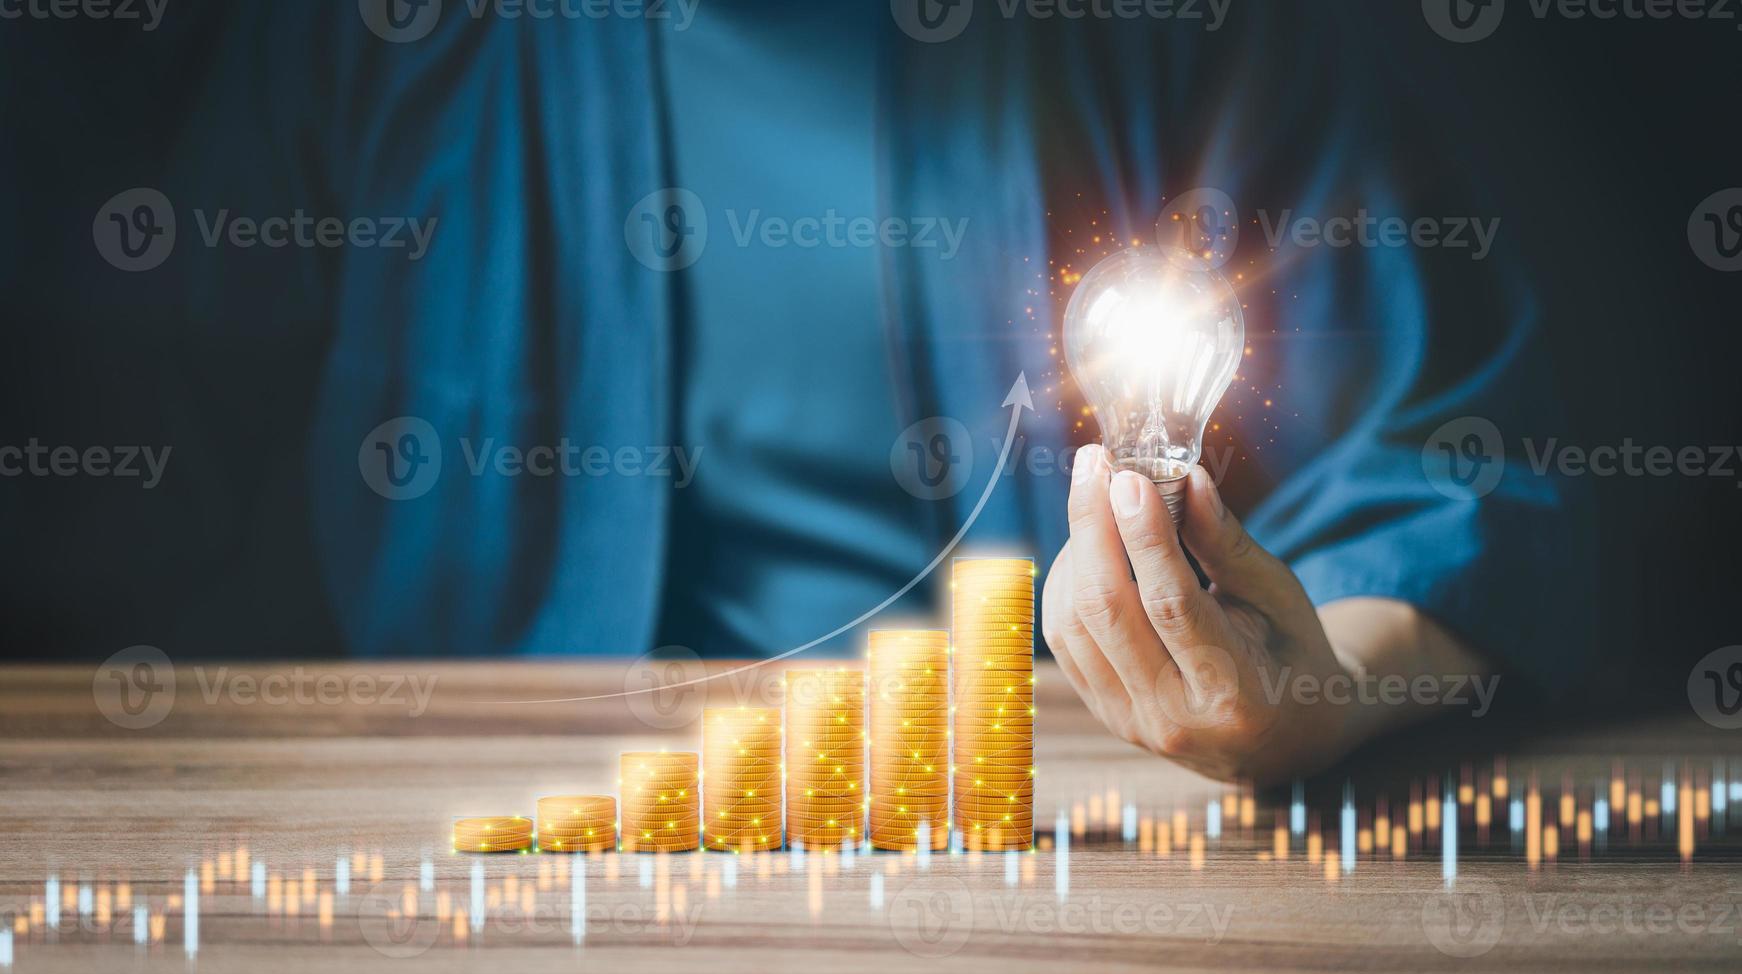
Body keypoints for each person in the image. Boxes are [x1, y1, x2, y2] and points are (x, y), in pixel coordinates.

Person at [5, 3, 1733, 783]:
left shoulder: (1185, 36)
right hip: (507, 836)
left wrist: (1306, 703)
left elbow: (1440, 491)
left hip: (1050, 825)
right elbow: (139, 441)